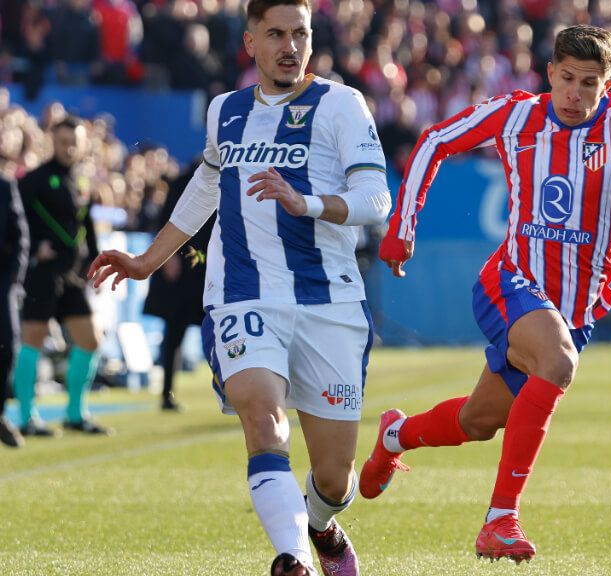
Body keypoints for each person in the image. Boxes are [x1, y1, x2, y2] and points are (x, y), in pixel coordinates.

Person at [360, 25, 611, 563]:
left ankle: (394, 438)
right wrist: (402, 227)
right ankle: (501, 519)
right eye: (566, 78)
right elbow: (434, 141)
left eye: (589, 83)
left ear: (608, 84)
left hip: (575, 308)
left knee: (478, 422)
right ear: (550, 73)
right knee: (558, 362)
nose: (575, 93)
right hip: (510, 279)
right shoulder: (517, 113)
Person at [87, 0, 391, 574]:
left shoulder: (342, 105)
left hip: (329, 302)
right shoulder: (225, 110)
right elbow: (208, 182)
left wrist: (307, 203)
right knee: (262, 417)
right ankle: (293, 557)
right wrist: (149, 260)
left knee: (334, 477)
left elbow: (377, 199)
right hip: (242, 294)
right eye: (275, 34)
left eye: (299, 33)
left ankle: (320, 526)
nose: (290, 46)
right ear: (250, 42)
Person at [13, 117, 111, 438]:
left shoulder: (81, 181)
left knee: (90, 340)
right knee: (33, 340)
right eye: (62, 140)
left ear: (83, 144)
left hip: (71, 275)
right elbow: (14, 219)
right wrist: (32, 249)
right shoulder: (36, 179)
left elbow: (85, 225)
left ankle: (74, 414)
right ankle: (26, 417)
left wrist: (95, 260)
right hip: (42, 273)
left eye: (74, 141)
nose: (68, 146)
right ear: (51, 141)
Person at [142, 158, 216, 412]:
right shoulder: (185, 179)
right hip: (184, 266)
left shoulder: (231, 173)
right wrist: (168, 256)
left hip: (212, 266)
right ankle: (166, 393)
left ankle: (232, 389)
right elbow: (167, 219)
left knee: (220, 329)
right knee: (174, 332)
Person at [0, 174, 29, 448]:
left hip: (2, 282)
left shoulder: (5, 186)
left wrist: (13, 280)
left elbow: (20, 236)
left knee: (8, 346)